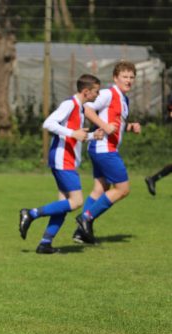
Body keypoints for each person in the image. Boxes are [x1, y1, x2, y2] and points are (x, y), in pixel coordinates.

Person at [19, 74, 103, 254]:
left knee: (64, 204)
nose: (98, 94)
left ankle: (45, 243)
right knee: (77, 201)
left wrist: (91, 136)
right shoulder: (69, 104)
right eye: (96, 91)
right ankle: (31, 213)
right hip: (62, 159)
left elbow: (75, 135)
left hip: (67, 160)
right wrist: (73, 133)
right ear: (86, 92)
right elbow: (48, 123)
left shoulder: (80, 108)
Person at [73, 61, 142, 244]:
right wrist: (104, 127)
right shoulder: (108, 93)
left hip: (102, 148)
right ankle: (86, 218)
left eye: (131, 77)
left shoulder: (123, 98)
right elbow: (87, 109)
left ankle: (81, 232)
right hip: (105, 149)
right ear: (115, 78)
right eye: (124, 77)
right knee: (122, 189)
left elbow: (114, 124)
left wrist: (129, 127)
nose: (128, 80)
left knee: (99, 189)